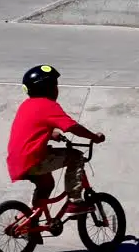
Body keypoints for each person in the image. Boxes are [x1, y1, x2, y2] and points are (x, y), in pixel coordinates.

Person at [6, 64, 105, 217]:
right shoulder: (48, 105)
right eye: (55, 85)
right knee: (76, 156)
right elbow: (72, 126)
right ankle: (74, 201)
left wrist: (52, 134)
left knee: (46, 184)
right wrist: (93, 137)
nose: (57, 89)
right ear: (48, 88)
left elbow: (31, 128)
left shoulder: (26, 105)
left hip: (18, 161)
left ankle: (29, 219)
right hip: (34, 159)